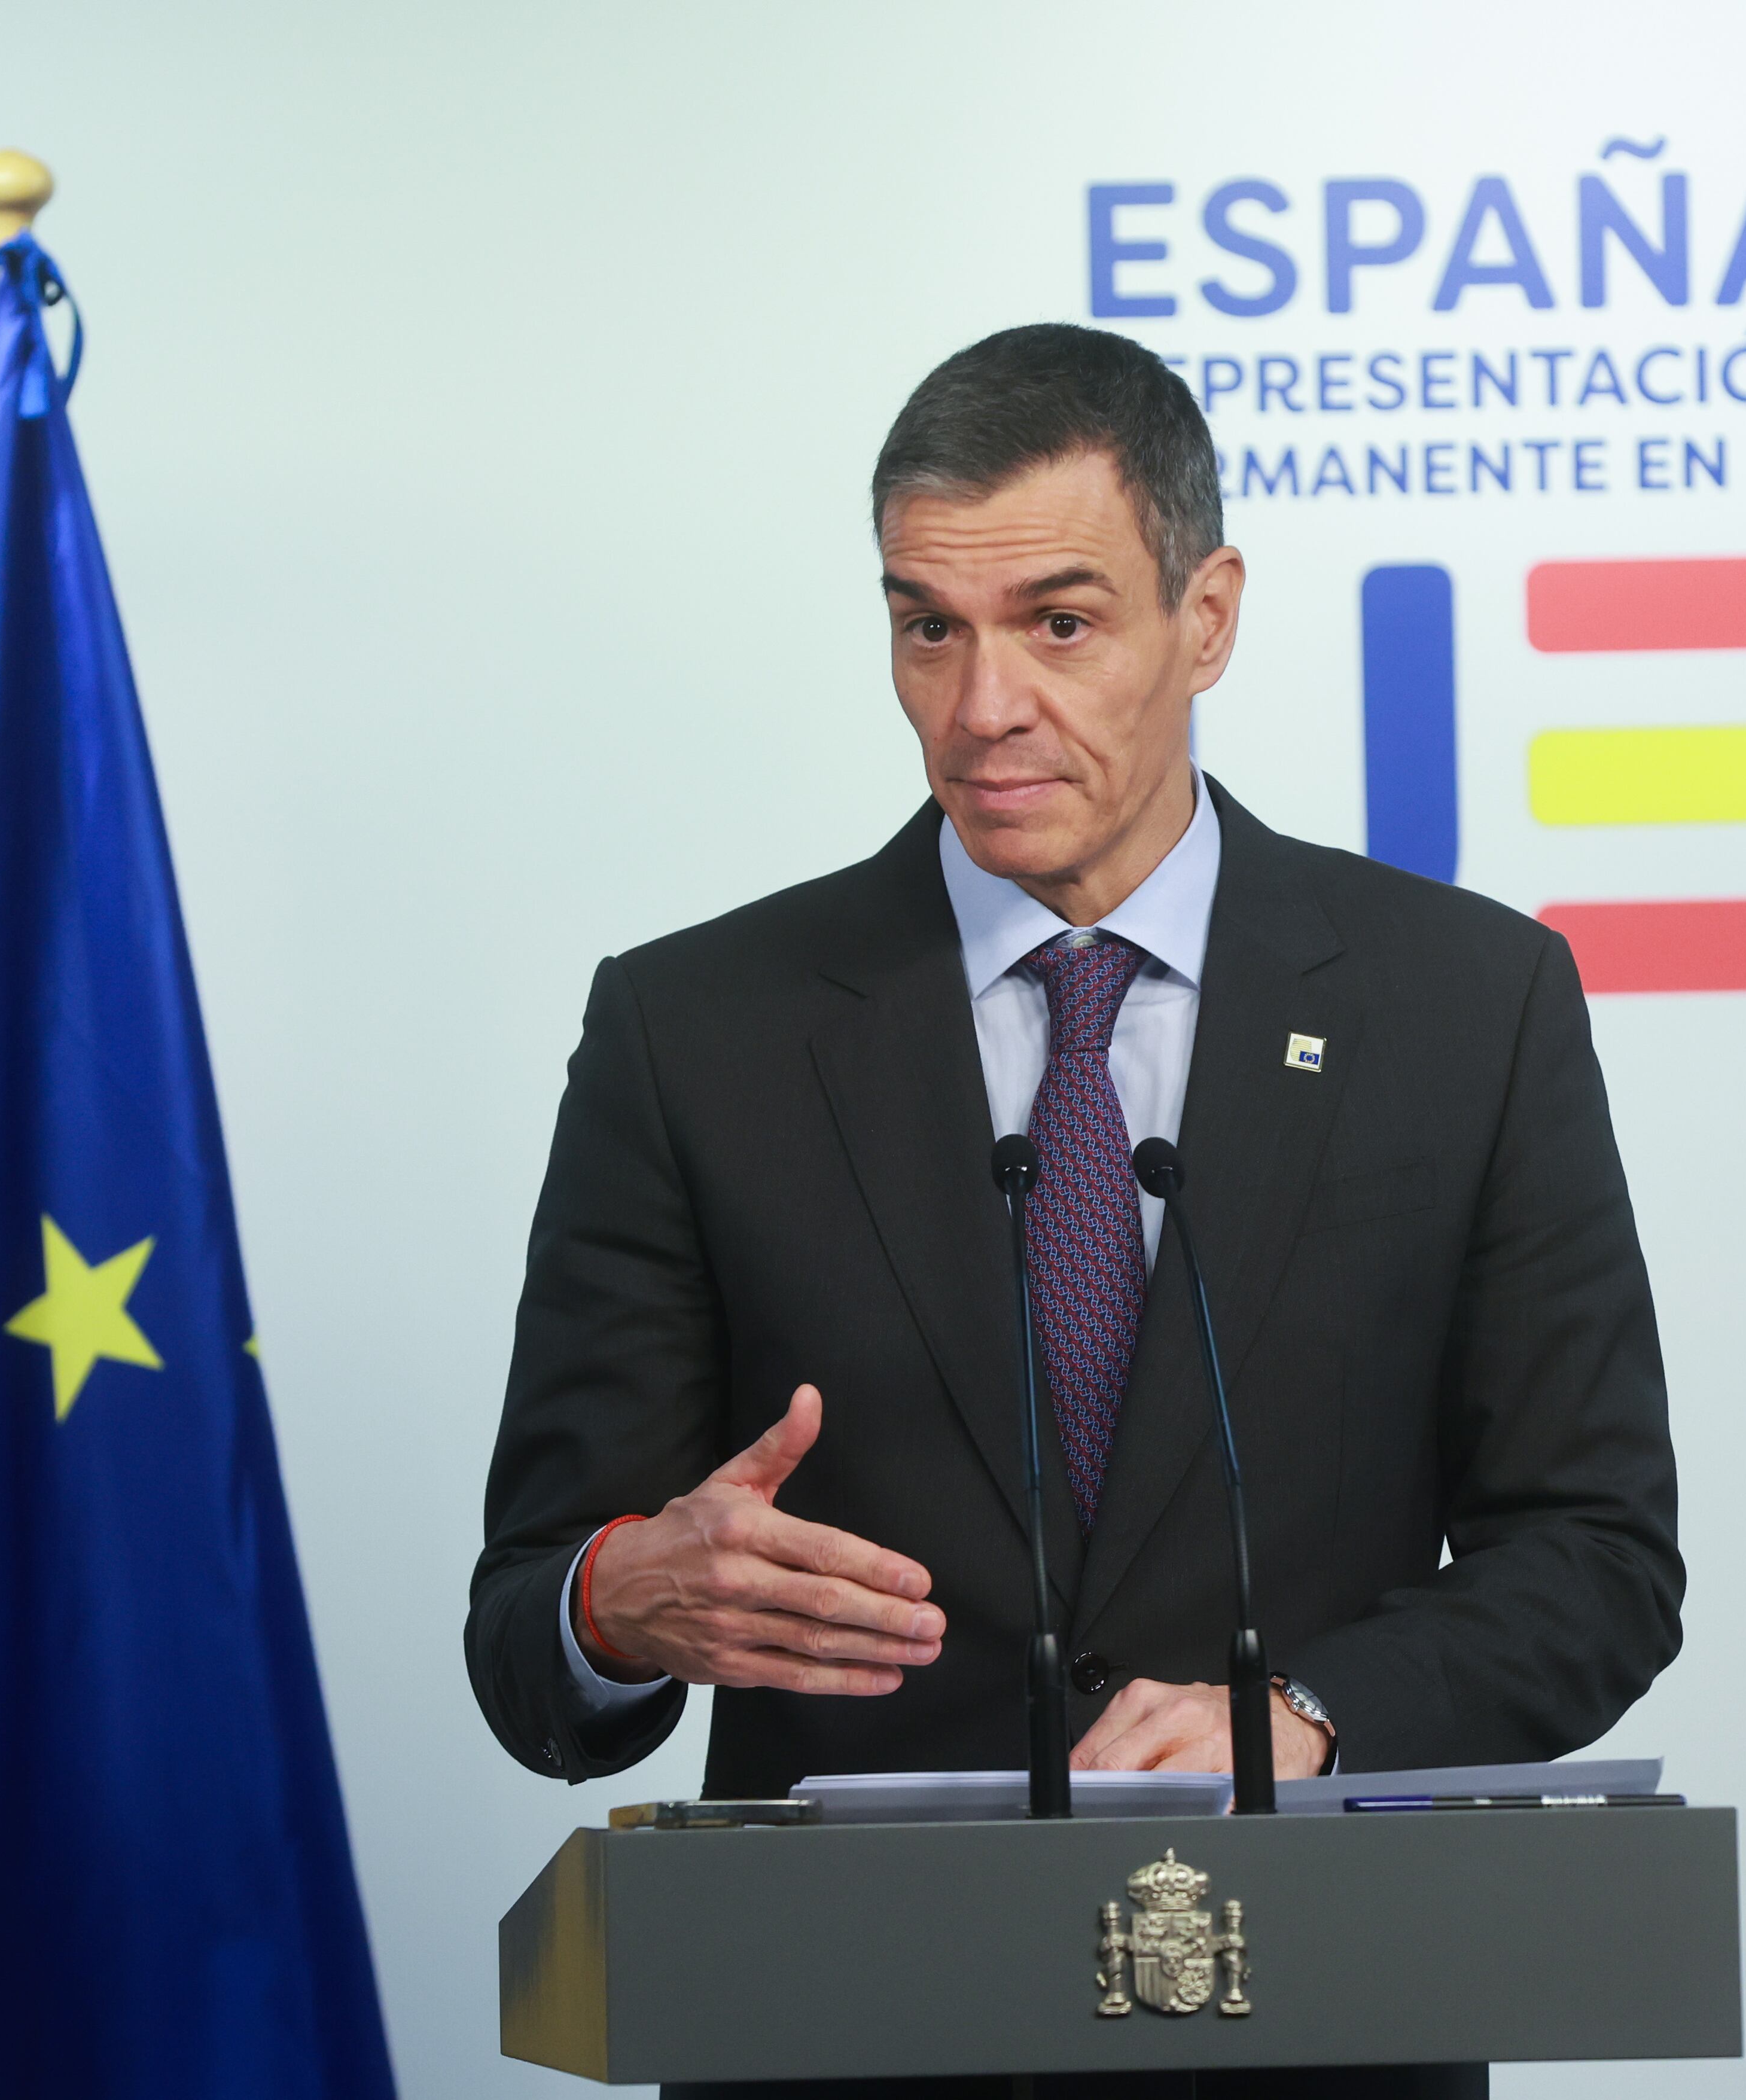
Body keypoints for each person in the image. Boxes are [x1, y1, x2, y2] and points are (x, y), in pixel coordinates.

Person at [464, 324, 1684, 2098]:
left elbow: (1595, 1557)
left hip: (1314, 2027)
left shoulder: (1467, 1007)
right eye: (927, 628)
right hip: (841, 2036)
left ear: (1208, 617)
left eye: (1059, 623)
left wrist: (1307, 1718)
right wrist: (615, 1602)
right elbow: (527, 1622)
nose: (982, 708)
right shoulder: (696, 1032)